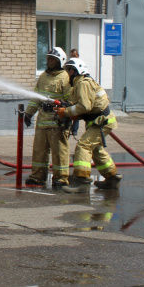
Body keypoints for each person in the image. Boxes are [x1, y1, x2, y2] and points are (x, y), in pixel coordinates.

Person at [58, 58, 121, 193]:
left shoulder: (83, 84)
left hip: (102, 122)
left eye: (69, 70)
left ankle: (81, 182)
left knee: (83, 146)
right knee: (96, 150)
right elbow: (80, 106)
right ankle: (113, 178)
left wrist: (66, 112)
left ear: (75, 71)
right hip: (98, 122)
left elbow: (85, 106)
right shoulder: (78, 85)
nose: (67, 73)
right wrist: (65, 108)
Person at [23, 47, 71, 188]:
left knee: (59, 151)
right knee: (39, 151)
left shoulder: (65, 78)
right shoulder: (43, 76)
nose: (49, 61)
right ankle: (37, 176)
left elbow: (70, 100)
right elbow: (36, 98)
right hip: (42, 120)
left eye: (53, 59)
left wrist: (67, 116)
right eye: (48, 59)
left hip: (57, 121)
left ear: (60, 61)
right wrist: (29, 113)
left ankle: (61, 179)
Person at [68, 49, 81, 139]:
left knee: (77, 111)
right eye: (72, 55)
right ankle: (68, 129)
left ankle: (74, 130)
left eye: (74, 55)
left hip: (78, 91)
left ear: (78, 55)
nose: (73, 57)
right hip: (70, 91)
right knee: (70, 111)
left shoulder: (80, 65)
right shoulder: (69, 65)